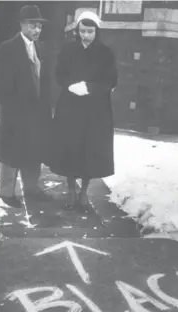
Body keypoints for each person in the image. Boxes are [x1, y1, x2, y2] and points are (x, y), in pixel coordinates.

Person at [49, 11, 118, 211]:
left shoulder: (106, 53)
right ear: (77, 31)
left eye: (89, 31)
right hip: (71, 107)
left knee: (89, 149)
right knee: (70, 146)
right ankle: (71, 188)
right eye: (82, 31)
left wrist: (90, 87)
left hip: (95, 110)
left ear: (97, 31)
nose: (85, 35)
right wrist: (70, 86)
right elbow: (59, 73)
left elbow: (111, 80)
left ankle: (84, 191)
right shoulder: (68, 50)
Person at [0, 5, 52, 208]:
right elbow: (1, 84)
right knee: (11, 152)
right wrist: (10, 110)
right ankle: (7, 193)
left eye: (39, 27)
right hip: (15, 112)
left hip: (36, 113)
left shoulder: (41, 48)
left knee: (34, 151)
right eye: (33, 26)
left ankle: (31, 189)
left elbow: (44, 81)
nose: (37, 30)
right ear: (22, 25)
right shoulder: (8, 48)